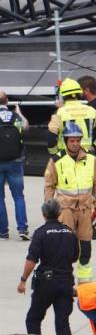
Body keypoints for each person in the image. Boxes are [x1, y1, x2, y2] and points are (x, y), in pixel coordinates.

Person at [43, 121, 96, 281]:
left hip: (85, 210)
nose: (75, 144)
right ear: (66, 141)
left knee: (85, 247)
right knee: (64, 248)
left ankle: (84, 281)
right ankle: (64, 279)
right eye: (72, 140)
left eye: (78, 140)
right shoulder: (56, 161)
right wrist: (49, 212)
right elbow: (49, 187)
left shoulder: (91, 160)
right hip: (65, 211)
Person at [17, 199, 77, 335]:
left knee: (33, 319)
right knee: (62, 323)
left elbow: (31, 260)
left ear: (43, 214)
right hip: (65, 282)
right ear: (60, 212)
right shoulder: (70, 233)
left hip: (46, 283)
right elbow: (75, 257)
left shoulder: (40, 233)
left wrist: (23, 280)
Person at [47, 78, 96, 162]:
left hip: (66, 159)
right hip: (87, 158)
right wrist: (95, 146)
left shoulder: (59, 113)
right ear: (79, 93)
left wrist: (55, 155)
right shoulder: (91, 110)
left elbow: (51, 137)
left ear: (63, 95)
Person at [0, 90, 29, 240]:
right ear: (6, 101)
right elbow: (25, 128)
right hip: (15, 162)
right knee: (18, 196)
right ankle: (22, 228)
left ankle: (3, 232)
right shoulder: (15, 116)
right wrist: (19, 112)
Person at [76, 76, 96, 165]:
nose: (78, 93)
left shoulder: (94, 107)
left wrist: (95, 147)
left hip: (94, 156)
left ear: (86, 90)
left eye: (80, 90)